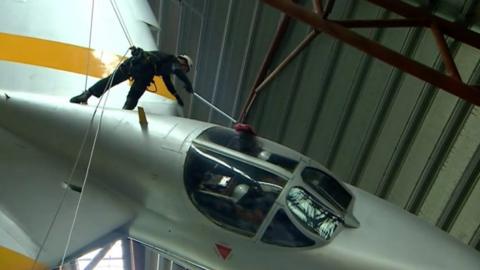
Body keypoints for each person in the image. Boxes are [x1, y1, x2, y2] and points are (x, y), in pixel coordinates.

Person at [70, 46, 194, 110]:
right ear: (183, 63)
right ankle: (125, 111)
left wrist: (177, 96)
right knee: (134, 94)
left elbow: (168, 84)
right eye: (185, 68)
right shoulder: (172, 61)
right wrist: (188, 84)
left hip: (133, 63)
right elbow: (178, 72)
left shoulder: (166, 63)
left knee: (110, 80)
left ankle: (86, 94)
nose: (183, 70)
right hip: (145, 70)